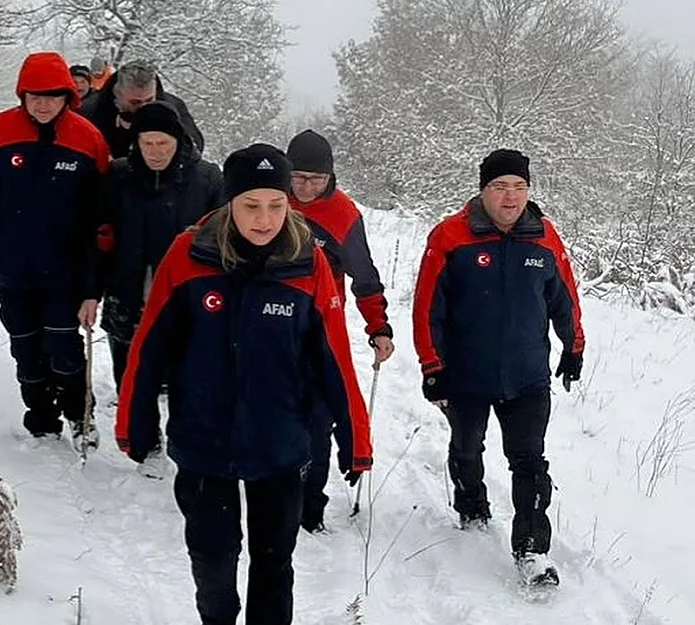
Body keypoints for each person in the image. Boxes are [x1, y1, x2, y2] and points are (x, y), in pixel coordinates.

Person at [115, 143, 372, 624]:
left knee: (274, 565)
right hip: (203, 439)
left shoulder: (308, 263)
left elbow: (334, 358)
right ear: (229, 203)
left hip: (279, 443)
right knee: (213, 562)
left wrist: (353, 436)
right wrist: (135, 418)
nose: (265, 218)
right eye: (251, 205)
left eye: (276, 205)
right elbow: (150, 346)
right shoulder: (189, 254)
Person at [412, 148, 585, 587]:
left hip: (527, 375)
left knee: (529, 461)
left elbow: (564, 296)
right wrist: (432, 366)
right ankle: (471, 503)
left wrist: (574, 347)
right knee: (467, 448)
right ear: (483, 190)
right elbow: (427, 307)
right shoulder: (451, 237)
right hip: (465, 374)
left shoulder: (544, 237)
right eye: (500, 188)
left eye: (519, 188)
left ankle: (531, 550)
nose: (511, 198)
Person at [0, 51, 111, 451]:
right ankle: (40, 417)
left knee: (63, 346)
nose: (42, 104)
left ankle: (79, 413)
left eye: (52, 96)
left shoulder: (87, 138)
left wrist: (97, 273)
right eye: (34, 96)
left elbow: (103, 215)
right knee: (24, 345)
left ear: (67, 97)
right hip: (12, 264)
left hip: (65, 268)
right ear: (22, 95)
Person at [94, 100, 224, 477]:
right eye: (147, 144)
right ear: (136, 143)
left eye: (162, 144)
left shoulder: (205, 179)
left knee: (187, 374)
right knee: (131, 370)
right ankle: (146, 442)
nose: (155, 152)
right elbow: (98, 235)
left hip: (186, 296)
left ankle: (185, 442)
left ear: (178, 142)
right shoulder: (117, 177)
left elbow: (222, 238)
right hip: (127, 288)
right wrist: (90, 290)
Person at [285, 128, 394, 533]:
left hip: (320, 331)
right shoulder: (270, 202)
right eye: (298, 177)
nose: (306, 187)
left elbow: (364, 277)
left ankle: (310, 505)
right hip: (268, 328)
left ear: (330, 177)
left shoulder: (343, 215)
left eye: (316, 179)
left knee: (318, 418)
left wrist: (378, 326)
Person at [80, 59, 205, 159]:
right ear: (117, 94)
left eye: (149, 100)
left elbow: (194, 151)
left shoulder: (172, 107)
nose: (143, 107)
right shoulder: (89, 112)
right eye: (135, 102)